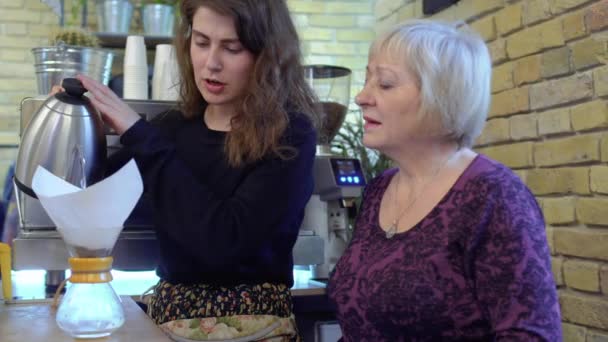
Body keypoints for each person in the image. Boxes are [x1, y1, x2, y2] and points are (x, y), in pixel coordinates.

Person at [73, 0, 318, 340]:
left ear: (268, 55)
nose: (211, 63)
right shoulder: (172, 128)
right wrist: (75, 122)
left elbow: (224, 244)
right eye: (201, 42)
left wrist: (141, 136)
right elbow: (90, 195)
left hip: (257, 328)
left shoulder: (291, 135)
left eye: (232, 48)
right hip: (166, 325)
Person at [327, 20, 562, 341]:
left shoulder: (493, 194)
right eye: (367, 80)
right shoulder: (379, 189)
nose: (361, 97)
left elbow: (530, 335)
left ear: (441, 97)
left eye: (384, 84)